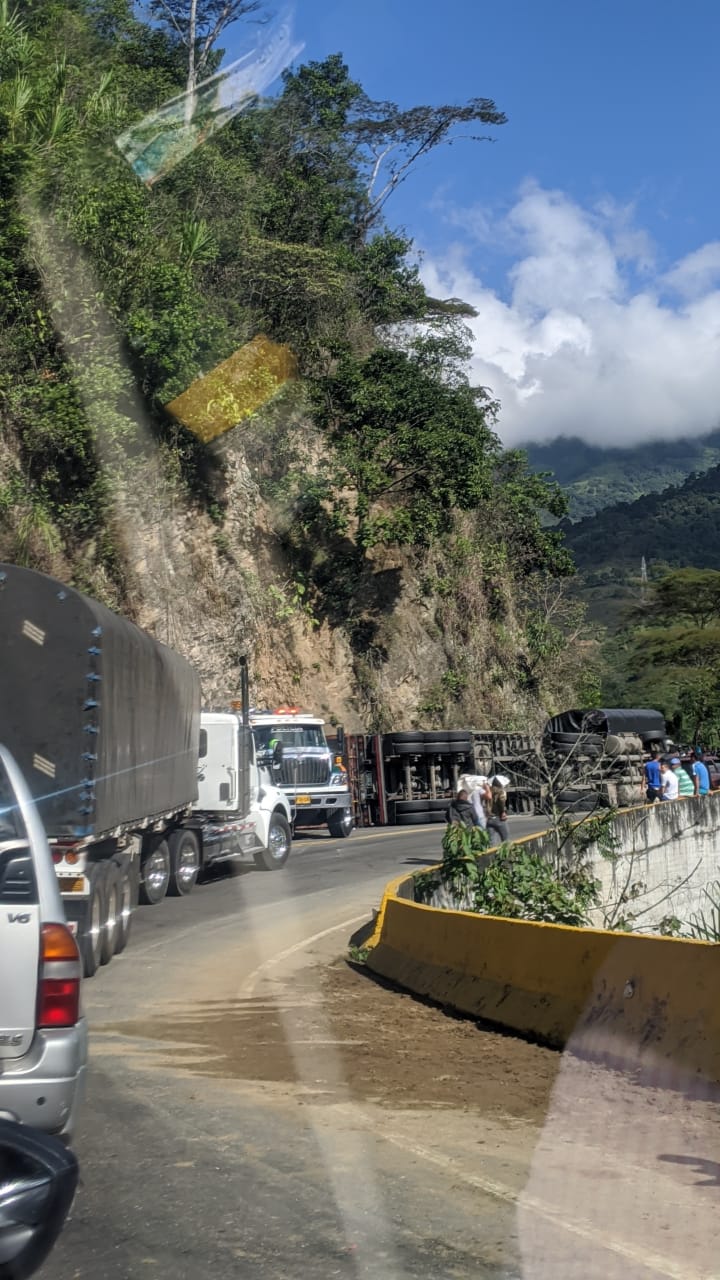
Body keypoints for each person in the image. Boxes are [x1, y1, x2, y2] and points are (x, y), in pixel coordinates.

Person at [486, 776, 510, 845]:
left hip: (490, 819)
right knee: (505, 840)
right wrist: (503, 812)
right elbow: (501, 803)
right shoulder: (501, 792)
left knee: (491, 841)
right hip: (499, 818)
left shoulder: (489, 792)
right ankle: (506, 851)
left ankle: (492, 851)